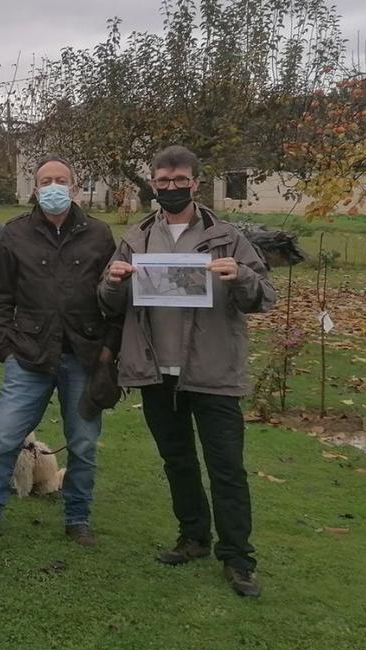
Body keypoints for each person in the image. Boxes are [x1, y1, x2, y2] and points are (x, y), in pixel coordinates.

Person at [99, 145, 276, 597]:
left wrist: (242, 276)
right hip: (158, 371)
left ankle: (237, 558)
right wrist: (113, 282)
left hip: (213, 370)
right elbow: (108, 303)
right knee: (177, 461)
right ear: (153, 183)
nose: (172, 188)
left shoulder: (227, 236)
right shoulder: (137, 237)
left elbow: (263, 298)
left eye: (180, 181)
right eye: (163, 182)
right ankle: (193, 536)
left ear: (196, 182)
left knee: (226, 468)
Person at [0, 156, 120, 551]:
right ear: (35, 188)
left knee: (82, 444)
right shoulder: (14, 233)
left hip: (83, 355)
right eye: (46, 180)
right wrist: (7, 348)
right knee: (2, 438)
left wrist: (107, 354)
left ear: (76, 186)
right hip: (29, 356)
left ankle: (77, 519)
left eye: (61, 180)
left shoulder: (100, 235)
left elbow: (116, 300)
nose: (53, 186)